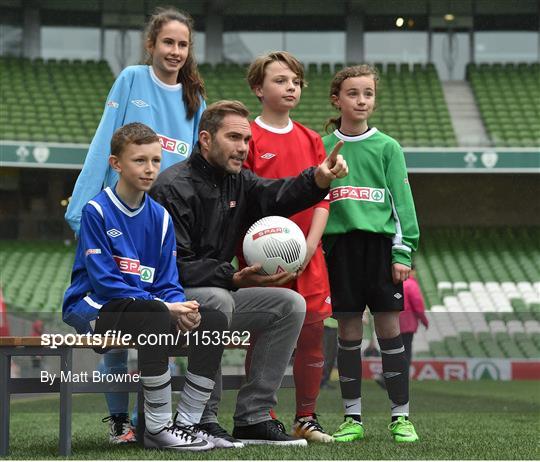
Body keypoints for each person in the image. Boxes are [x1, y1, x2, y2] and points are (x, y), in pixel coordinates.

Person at [150, 100, 347, 446]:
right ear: (206, 140)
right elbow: (173, 268)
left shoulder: (238, 181)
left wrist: (318, 178)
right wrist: (231, 277)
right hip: (168, 305)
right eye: (234, 138)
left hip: (218, 295)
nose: (243, 148)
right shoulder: (172, 186)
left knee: (290, 304)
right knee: (216, 298)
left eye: (246, 140)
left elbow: (277, 195)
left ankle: (253, 418)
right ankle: (201, 419)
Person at [64, 7, 206, 443]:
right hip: (116, 219)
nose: (175, 52)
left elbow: (195, 174)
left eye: (183, 44)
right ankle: (119, 420)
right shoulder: (130, 79)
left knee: (162, 309)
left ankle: (160, 420)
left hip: (163, 226)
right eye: (168, 42)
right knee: (121, 310)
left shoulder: (194, 100)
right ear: (151, 44)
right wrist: (82, 204)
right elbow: (103, 140)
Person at [62, 123, 229, 451]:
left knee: (214, 321)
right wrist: (165, 307)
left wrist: (181, 308)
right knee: (153, 313)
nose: (150, 168)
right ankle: (157, 427)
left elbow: (168, 281)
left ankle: (187, 423)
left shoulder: (161, 218)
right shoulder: (97, 211)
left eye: (155, 160)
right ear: (116, 164)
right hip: (94, 306)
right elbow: (105, 282)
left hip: (144, 308)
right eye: (140, 160)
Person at [321, 65, 421, 443]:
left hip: (380, 249)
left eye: (368, 93)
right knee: (348, 332)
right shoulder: (325, 144)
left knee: (389, 331)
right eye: (353, 93)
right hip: (340, 249)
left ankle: (401, 417)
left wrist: (402, 250)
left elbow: (402, 203)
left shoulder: (387, 146)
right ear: (337, 99)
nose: (361, 100)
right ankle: (352, 418)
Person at [241, 51, 333, 443]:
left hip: (308, 257)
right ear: (258, 88)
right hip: (262, 260)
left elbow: (324, 200)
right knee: (264, 335)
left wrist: (310, 247)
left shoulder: (312, 138)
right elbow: (243, 197)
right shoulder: (247, 136)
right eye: (280, 80)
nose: (290, 86)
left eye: (295, 80)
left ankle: (306, 417)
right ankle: (264, 415)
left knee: (312, 334)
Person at [400, 264, 429, 365]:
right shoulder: (411, 284)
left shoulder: (396, 283)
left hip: (393, 323)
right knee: (406, 352)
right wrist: (424, 321)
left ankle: (387, 376)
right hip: (406, 324)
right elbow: (418, 305)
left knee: (395, 351)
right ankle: (402, 379)